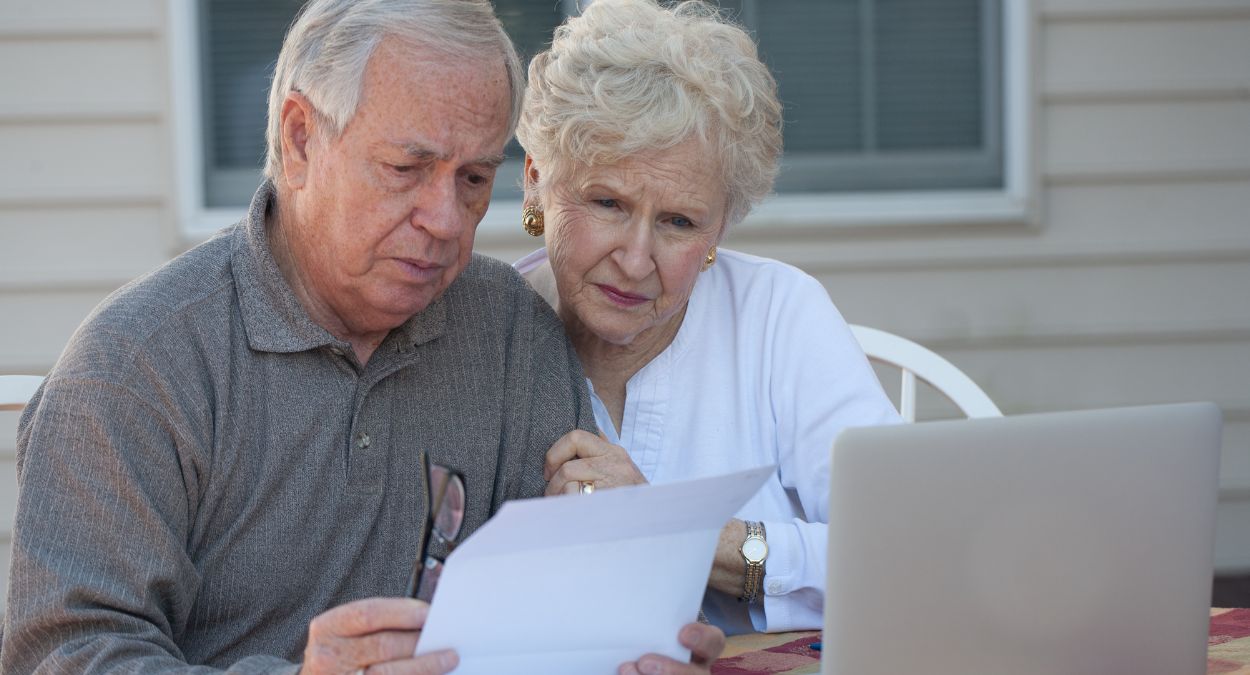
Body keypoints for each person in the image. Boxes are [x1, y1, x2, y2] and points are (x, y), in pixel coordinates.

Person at [0, 1, 722, 673]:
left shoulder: (507, 330)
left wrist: (633, 632)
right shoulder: (137, 366)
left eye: (473, 178)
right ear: (301, 138)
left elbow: (559, 605)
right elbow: (63, 654)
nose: (445, 218)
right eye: (407, 168)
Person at [514, 0, 901, 635]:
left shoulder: (778, 315)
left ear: (720, 227)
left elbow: (906, 546)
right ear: (535, 183)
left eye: (679, 222)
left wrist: (676, 532)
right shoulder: (481, 335)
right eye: (608, 203)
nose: (636, 260)